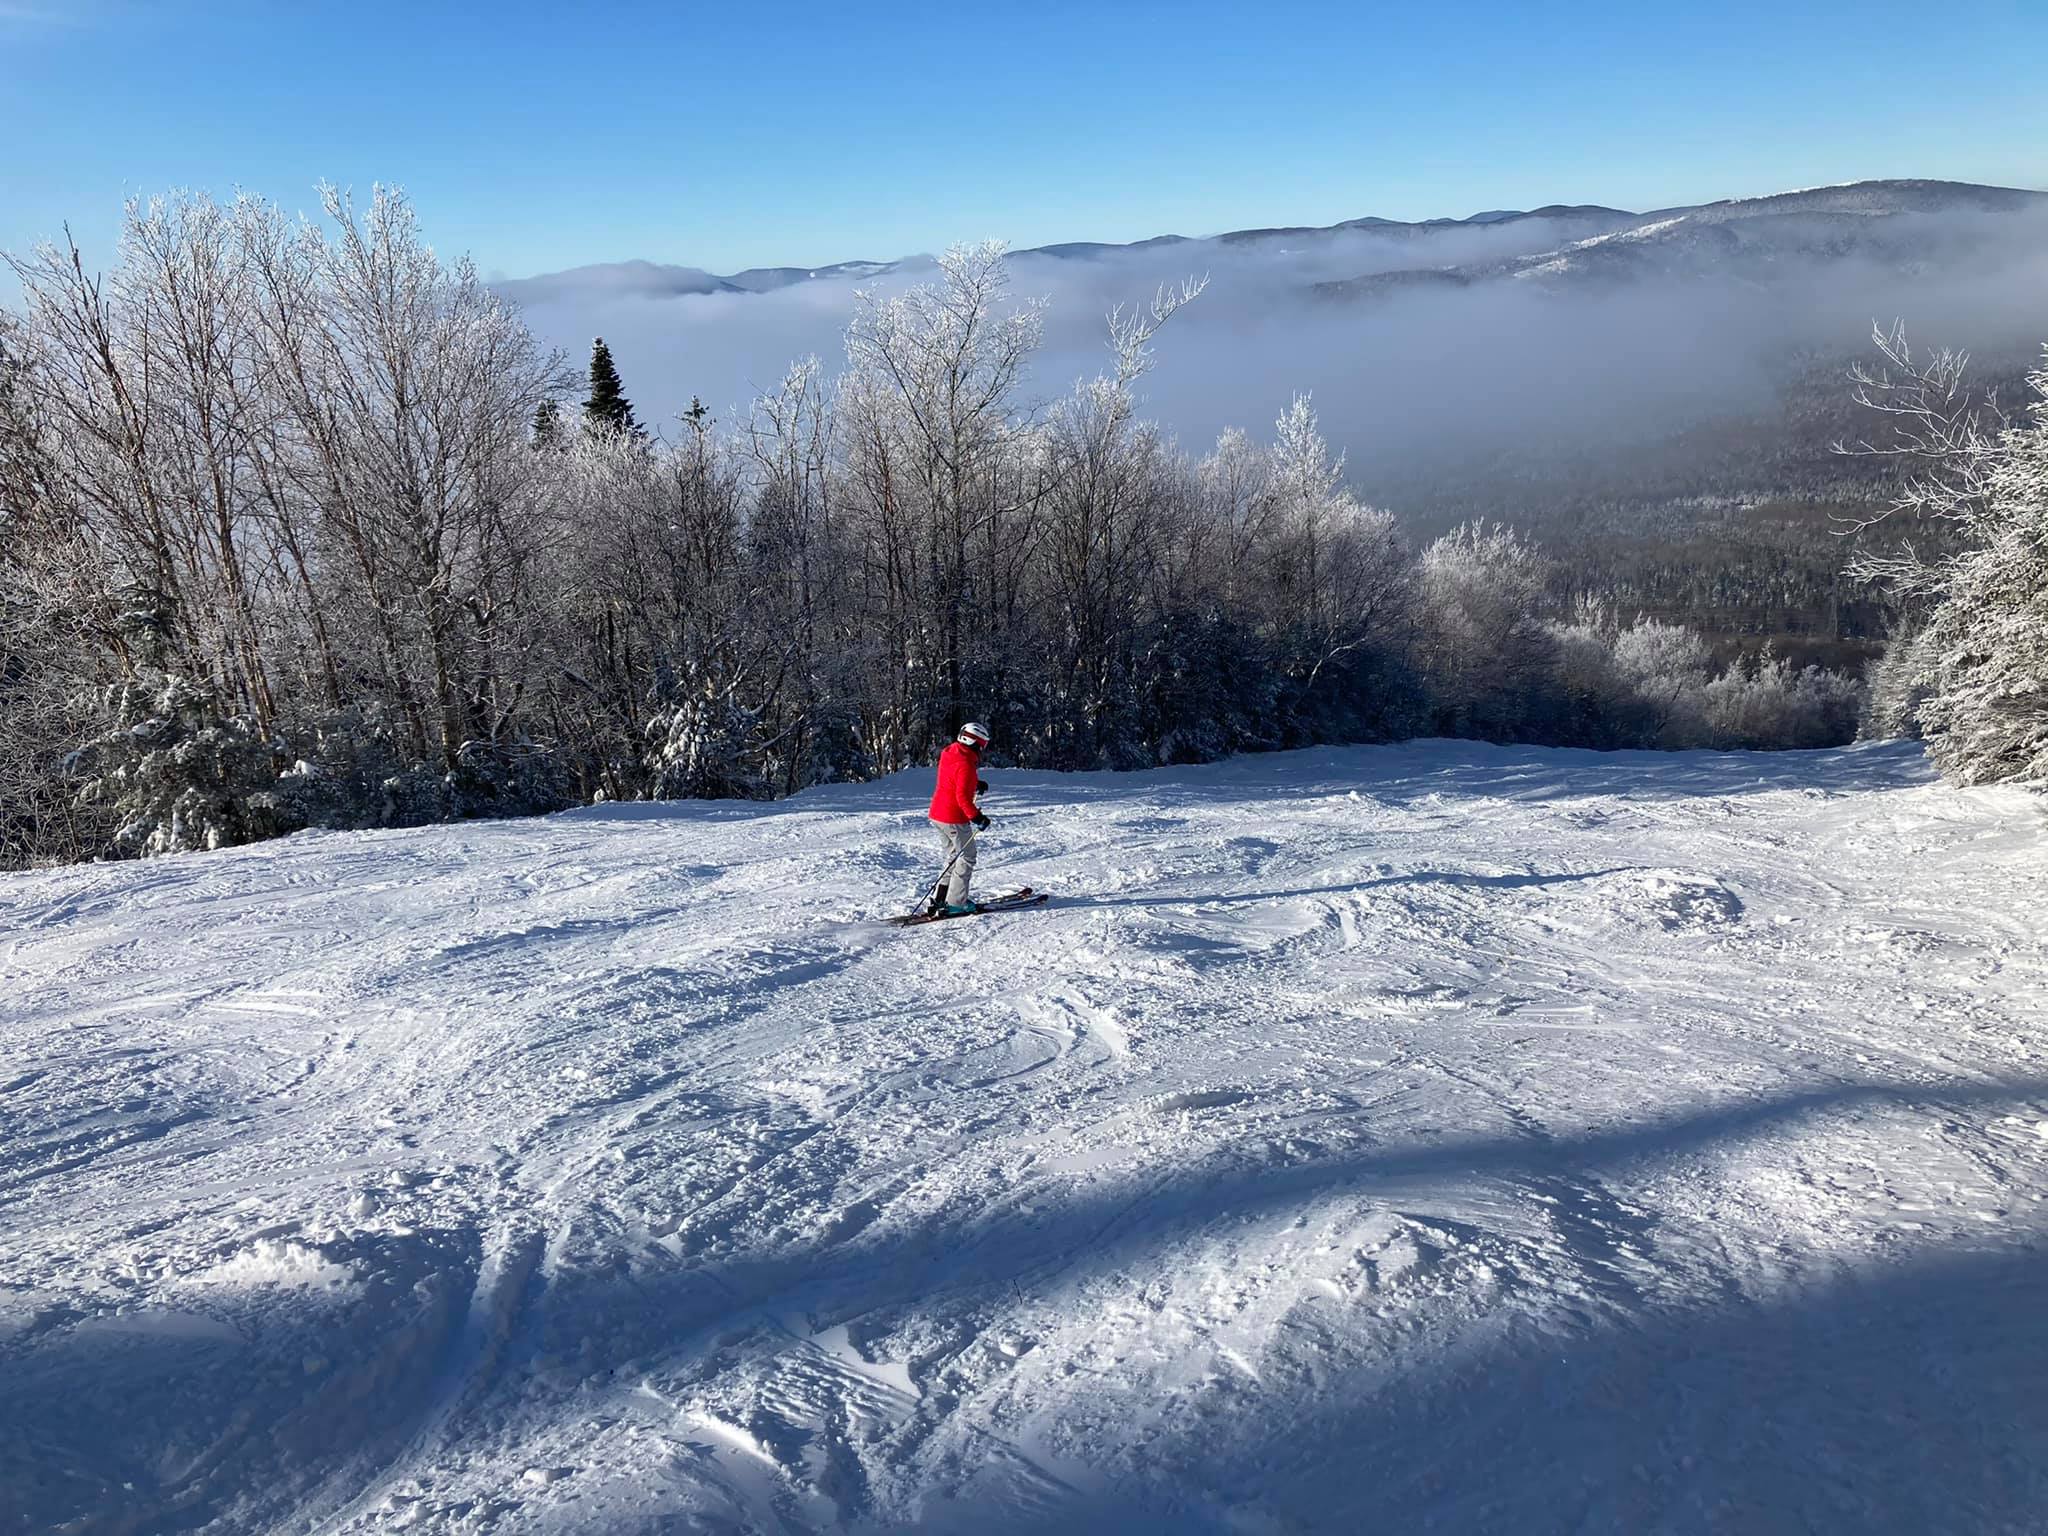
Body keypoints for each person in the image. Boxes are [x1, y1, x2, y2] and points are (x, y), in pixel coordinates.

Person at [926, 721, 992, 915]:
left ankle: (941, 898)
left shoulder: (951, 752)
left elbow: (952, 778)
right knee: (967, 856)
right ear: (973, 743)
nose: (982, 749)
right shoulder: (966, 765)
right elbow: (962, 797)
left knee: (953, 856)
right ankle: (956, 903)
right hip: (952, 817)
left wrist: (974, 783)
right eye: (981, 745)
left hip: (937, 814)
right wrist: (978, 817)